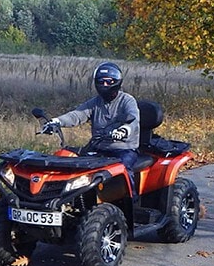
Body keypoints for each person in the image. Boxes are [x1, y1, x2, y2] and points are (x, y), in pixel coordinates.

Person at [43, 62, 141, 199]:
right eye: (101, 81)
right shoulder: (95, 102)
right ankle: (70, 199)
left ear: (117, 82)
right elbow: (77, 115)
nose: (105, 85)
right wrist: (56, 121)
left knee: (123, 167)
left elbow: (133, 119)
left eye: (109, 81)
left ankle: (131, 200)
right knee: (73, 166)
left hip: (123, 149)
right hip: (98, 147)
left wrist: (124, 130)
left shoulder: (127, 100)